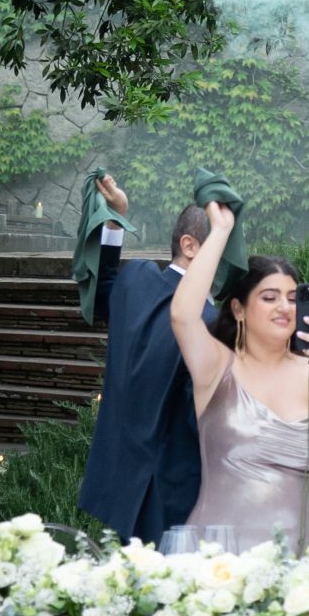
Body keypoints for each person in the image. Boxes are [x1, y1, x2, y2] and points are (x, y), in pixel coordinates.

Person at [168, 201, 309, 552]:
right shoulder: (217, 367)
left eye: (292, 298)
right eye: (270, 297)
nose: (285, 307)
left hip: (299, 556)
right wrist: (220, 232)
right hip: (217, 555)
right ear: (239, 308)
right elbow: (184, 316)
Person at [77, 176, 210, 542]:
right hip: (183, 491)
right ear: (190, 245)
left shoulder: (136, 280)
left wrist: (115, 217)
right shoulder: (210, 320)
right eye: (221, 245)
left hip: (123, 484)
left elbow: (101, 288)